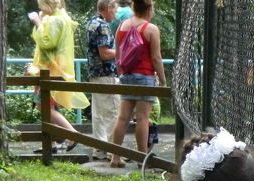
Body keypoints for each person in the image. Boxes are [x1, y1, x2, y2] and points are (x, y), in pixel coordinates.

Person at [109, 0, 165, 168]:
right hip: (145, 77)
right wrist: (162, 80)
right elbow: (156, 58)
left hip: (126, 76)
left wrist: (122, 74)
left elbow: (118, 55)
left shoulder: (122, 26)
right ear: (149, 8)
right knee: (143, 118)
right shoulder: (151, 29)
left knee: (123, 118)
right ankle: (142, 158)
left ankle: (115, 157)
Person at [29, 0, 90, 151]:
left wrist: (38, 22)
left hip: (49, 70)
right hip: (54, 69)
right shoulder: (59, 17)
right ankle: (55, 141)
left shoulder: (55, 20)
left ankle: (71, 133)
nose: (38, 8)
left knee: (42, 106)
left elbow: (47, 43)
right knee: (49, 106)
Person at [85, 0, 119, 161]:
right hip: (106, 74)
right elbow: (104, 54)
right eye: (115, 9)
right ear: (107, 8)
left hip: (95, 74)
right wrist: (122, 52)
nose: (116, 12)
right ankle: (113, 151)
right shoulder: (103, 26)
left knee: (98, 113)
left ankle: (99, 149)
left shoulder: (92, 22)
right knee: (112, 112)